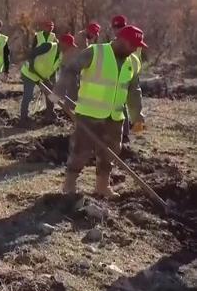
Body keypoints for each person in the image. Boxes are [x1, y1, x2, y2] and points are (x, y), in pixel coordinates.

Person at [52, 25, 146, 199]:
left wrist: (136, 114)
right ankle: (69, 185)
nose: (134, 48)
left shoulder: (133, 61)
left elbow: (134, 89)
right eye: (131, 44)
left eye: (137, 45)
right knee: (81, 150)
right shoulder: (95, 52)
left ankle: (103, 187)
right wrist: (59, 92)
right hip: (89, 113)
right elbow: (71, 69)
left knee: (110, 152)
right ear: (120, 39)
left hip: (115, 116)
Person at [19, 33, 77, 124]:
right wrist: (31, 65)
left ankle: (49, 116)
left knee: (52, 95)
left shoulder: (61, 55)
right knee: (28, 96)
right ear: (62, 43)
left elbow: (53, 69)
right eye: (68, 45)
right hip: (29, 73)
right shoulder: (49, 46)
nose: (69, 48)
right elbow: (32, 53)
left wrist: (51, 82)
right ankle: (23, 119)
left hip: (42, 76)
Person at [109, 14, 142, 144]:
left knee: (131, 103)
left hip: (130, 73)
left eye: (120, 27)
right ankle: (126, 133)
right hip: (122, 73)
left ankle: (133, 132)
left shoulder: (130, 38)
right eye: (116, 27)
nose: (118, 30)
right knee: (121, 104)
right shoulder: (117, 40)